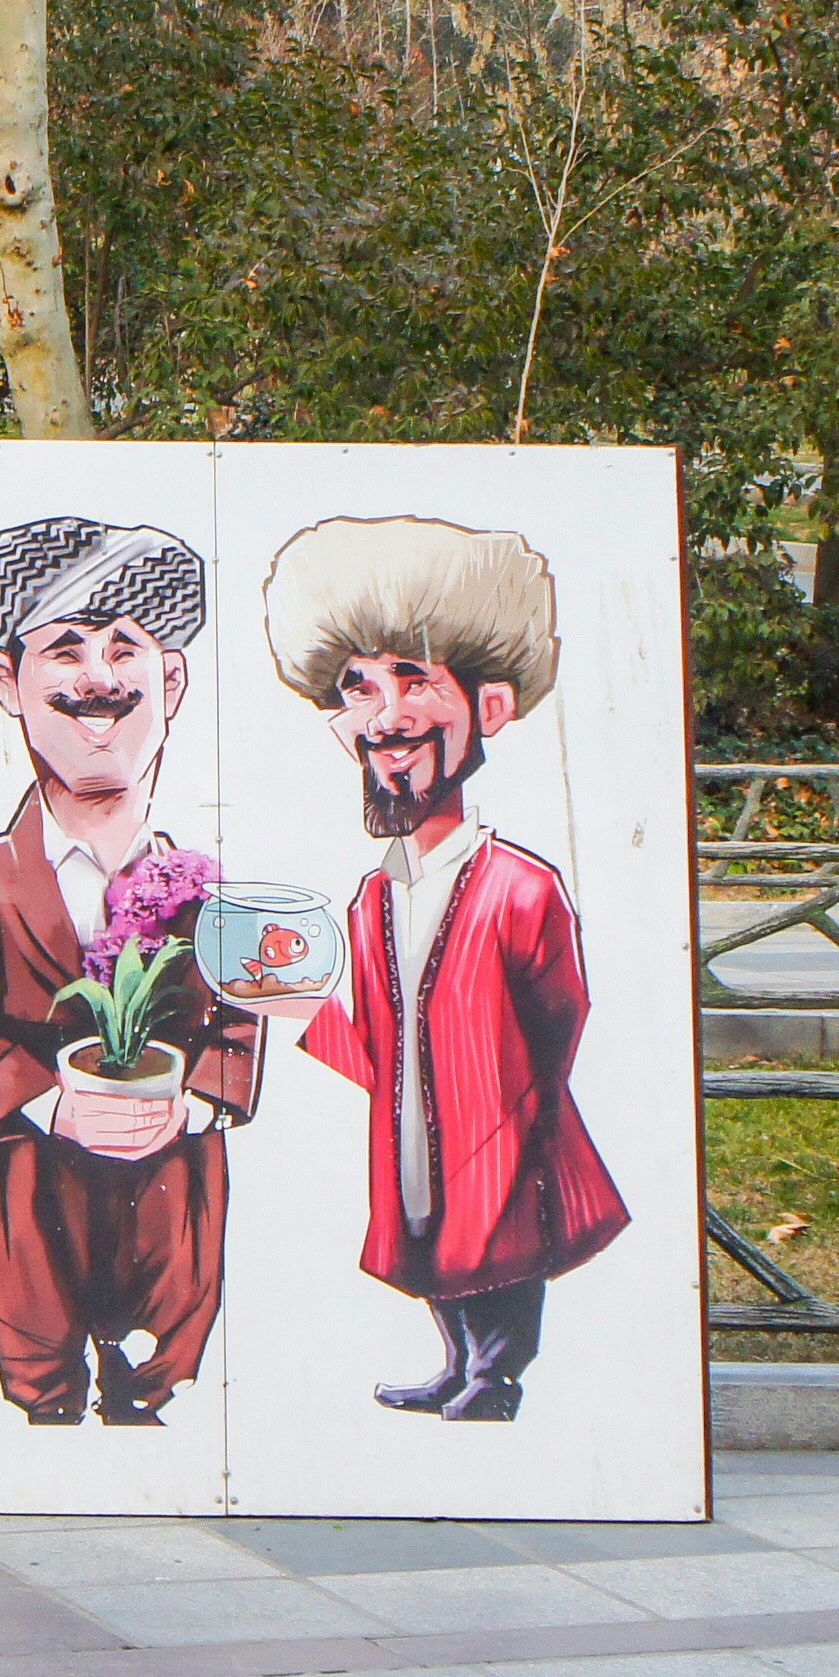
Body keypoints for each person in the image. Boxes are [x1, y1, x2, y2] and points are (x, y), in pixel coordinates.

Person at [261, 518, 632, 1423]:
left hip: (503, 1121)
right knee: (427, 1232)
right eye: (358, 687)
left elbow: (561, 1012)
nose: (385, 715)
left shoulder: (520, 886)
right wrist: (284, 1000)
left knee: (495, 1238)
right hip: (413, 1121)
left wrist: (506, 1100)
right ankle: (457, 1359)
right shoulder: (373, 896)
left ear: (489, 707)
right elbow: (370, 1040)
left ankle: (496, 1374)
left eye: (414, 678)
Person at [0, 517, 260, 1426]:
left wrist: (191, 1106)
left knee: (157, 1403)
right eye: (64, 650)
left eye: (124, 649)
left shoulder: (206, 884)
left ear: (171, 681)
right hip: (25, 1194)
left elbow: (238, 1029)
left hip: (172, 1195)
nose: (97, 679)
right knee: (44, 1404)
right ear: (8, 682)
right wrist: (57, 1105)